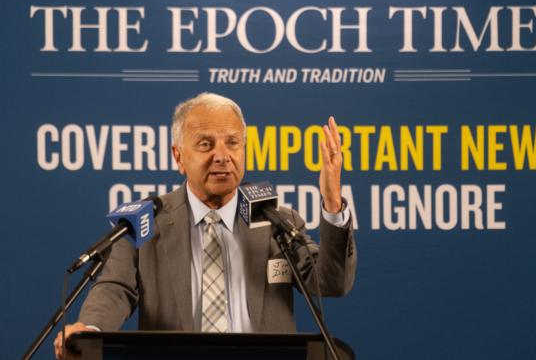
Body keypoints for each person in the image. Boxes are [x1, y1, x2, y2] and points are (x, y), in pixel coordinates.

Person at [54, 92, 356, 358]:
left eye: (232, 143)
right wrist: (89, 332)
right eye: (205, 144)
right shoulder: (146, 223)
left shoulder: (277, 222)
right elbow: (114, 289)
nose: (222, 156)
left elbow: (331, 282)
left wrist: (332, 202)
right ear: (179, 156)